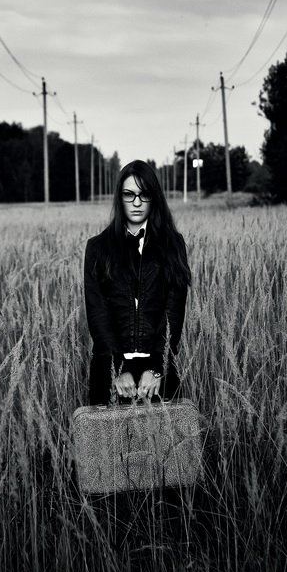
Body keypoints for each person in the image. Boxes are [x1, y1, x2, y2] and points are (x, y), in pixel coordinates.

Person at [84, 159, 191, 405]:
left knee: (166, 431)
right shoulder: (98, 247)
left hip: (159, 371)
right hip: (110, 371)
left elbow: (174, 311)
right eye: (129, 194)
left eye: (144, 194)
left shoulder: (173, 244)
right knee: (108, 431)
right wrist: (117, 369)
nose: (136, 202)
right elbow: (97, 312)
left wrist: (156, 368)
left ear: (154, 198)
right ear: (119, 198)